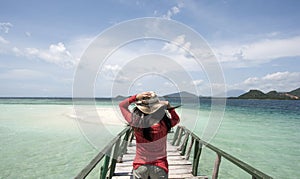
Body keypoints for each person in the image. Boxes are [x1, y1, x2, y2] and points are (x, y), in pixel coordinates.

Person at [119, 91, 180, 179]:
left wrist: (136, 97)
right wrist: (169, 107)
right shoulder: (165, 124)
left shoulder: (136, 123)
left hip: (140, 166)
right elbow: (176, 119)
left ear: (140, 109)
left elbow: (122, 105)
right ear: (158, 108)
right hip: (160, 166)